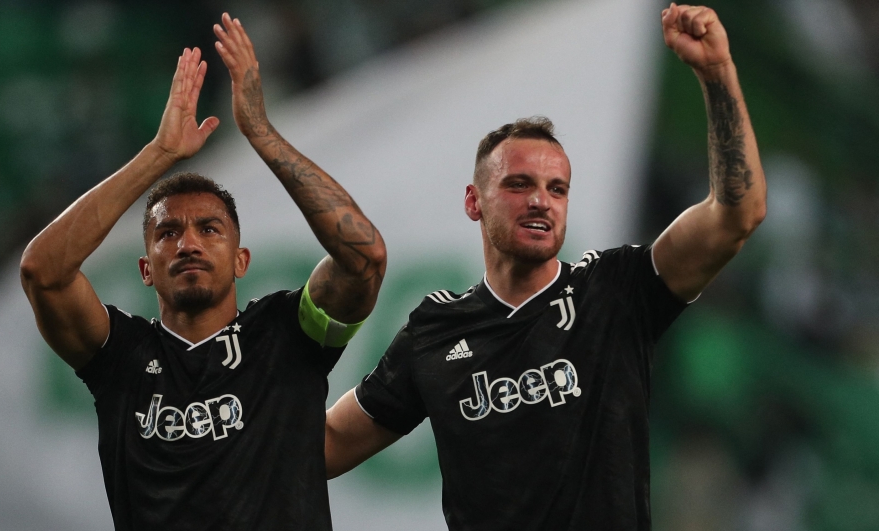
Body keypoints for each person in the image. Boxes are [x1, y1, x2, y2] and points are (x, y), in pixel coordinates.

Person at [324, 4, 765, 530]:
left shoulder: (615, 289)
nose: (541, 201)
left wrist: (718, 74)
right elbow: (326, 445)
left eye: (557, 189)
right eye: (518, 185)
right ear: (474, 201)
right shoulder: (434, 333)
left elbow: (737, 214)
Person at [19, 13, 385, 531]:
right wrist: (159, 154)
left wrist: (261, 131)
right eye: (168, 233)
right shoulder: (120, 357)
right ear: (146, 269)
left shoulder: (286, 336)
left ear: (242, 260)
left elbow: (364, 257)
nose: (188, 242)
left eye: (210, 229)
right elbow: (43, 272)